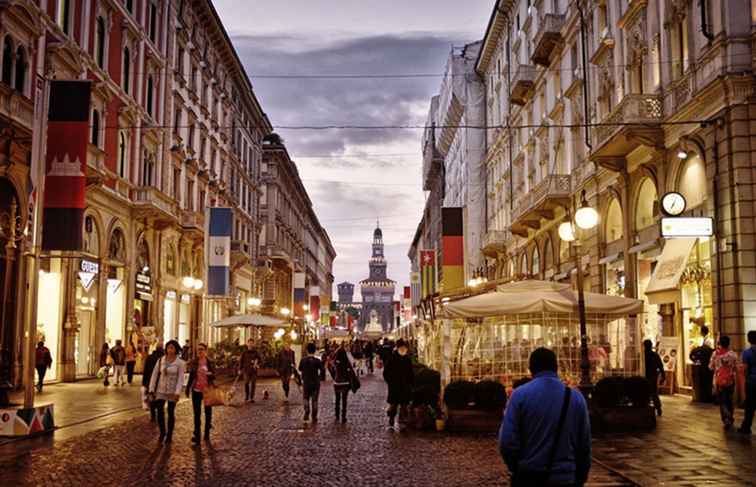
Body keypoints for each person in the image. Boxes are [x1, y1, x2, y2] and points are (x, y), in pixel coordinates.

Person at [499, 348, 591, 487]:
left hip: (529, 476)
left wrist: (517, 468)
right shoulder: (576, 398)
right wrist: (580, 476)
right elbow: (584, 444)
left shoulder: (519, 396)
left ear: (531, 369)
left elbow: (507, 442)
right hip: (565, 477)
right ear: (556, 367)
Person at [148, 340, 185, 444]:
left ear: (176, 349)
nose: (170, 349)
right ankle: (162, 432)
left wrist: (178, 392)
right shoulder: (161, 360)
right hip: (161, 389)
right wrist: (151, 389)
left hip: (172, 391)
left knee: (171, 412)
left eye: (172, 347)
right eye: (168, 347)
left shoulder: (180, 363)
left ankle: (169, 434)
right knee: (159, 412)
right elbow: (155, 375)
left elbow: (181, 379)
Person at [186, 343, 215, 443]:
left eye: (202, 349)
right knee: (196, 414)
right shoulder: (194, 362)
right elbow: (191, 375)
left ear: (206, 351)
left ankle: (207, 433)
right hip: (196, 390)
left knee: (208, 412)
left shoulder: (210, 362)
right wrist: (188, 388)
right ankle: (197, 435)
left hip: (207, 390)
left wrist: (210, 374)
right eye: (198, 350)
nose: (200, 351)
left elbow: (214, 375)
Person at [384, 339, 415, 430]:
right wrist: (390, 381)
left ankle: (402, 422)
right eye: (401, 348)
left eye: (404, 348)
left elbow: (410, 373)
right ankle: (391, 419)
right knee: (393, 404)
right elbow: (386, 372)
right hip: (394, 386)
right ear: (398, 348)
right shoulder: (392, 358)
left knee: (404, 405)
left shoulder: (407, 359)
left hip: (405, 386)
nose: (403, 350)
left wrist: (411, 383)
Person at [709, 335, 738, 430]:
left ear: (720, 343)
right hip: (730, 380)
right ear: (729, 343)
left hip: (719, 381)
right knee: (729, 399)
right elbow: (736, 367)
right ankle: (730, 415)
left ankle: (726, 417)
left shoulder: (715, 354)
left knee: (722, 401)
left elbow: (710, 367)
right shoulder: (733, 354)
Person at [299, 342, 325, 422]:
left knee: (306, 398)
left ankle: (307, 411)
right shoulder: (317, 361)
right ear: (314, 351)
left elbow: (300, 369)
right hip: (315, 383)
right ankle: (314, 416)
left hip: (306, 382)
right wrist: (319, 378)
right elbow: (322, 370)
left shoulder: (303, 360)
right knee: (315, 400)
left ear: (307, 350)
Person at [689, 325, 714, 402]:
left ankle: (707, 397)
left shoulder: (708, 341)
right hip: (705, 364)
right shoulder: (705, 340)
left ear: (702, 332)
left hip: (706, 364)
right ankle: (706, 397)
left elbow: (709, 352)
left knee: (707, 382)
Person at [738, 330, 756, 434]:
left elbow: (744, 369)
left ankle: (746, 426)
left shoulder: (746, 353)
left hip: (751, 382)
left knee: (749, 406)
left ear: (749, 340)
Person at [331, 343, 355, 423]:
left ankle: (337, 415)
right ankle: (343, 417)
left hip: (337, 383)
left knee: (337, 399)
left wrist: (334, 377)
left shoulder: (335, 362)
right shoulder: (347, 362)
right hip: (345, 383)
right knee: (344, 401)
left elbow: (331, 368)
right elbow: (351, 371)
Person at [142, 343, 164, 422]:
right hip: (161, 381)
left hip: (149, 380)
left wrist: (144, 382)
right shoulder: (163, 358)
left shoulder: (150, 357)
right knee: (160, 398)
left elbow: (145, 371)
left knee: (152, 397)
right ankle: (159, 412)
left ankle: (153, 415)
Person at [643, 339, 665, 416]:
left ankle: (646, 408)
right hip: (653, 376)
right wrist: (663, 376)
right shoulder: (655, 355)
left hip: (644, 376)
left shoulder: (642, 355)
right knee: (654, 392)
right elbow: (661, 366)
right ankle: (658, 408)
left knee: (645, 392)